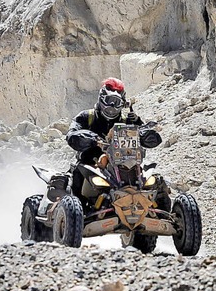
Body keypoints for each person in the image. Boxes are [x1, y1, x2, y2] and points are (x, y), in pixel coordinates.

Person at [65, 77, 164, 206]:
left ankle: (164, 212)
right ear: (101, 98)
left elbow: (151, 137)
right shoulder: (86, 117)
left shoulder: (128, 120)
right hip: (91, 164)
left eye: (116, 102)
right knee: (77, 176)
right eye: (110, 101)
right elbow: (71, 135)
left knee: (157, 181)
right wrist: (92, 139)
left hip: (127, 166)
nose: (112, 106)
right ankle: (77, 210)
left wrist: (140, 128)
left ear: (122, 103)